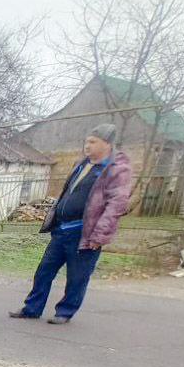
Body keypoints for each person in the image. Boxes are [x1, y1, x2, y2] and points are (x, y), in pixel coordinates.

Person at [10, 124, 131, 324]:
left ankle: (65, 312)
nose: (87, 145)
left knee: (77, 277)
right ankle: (32, 308)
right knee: (44, 271)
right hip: (62, 230)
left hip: (84, 233)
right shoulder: (83, 164)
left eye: (93, 142)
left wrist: (100, 235)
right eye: (87, 141)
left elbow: (116, 204)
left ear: (107, 144)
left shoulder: (116, 170)